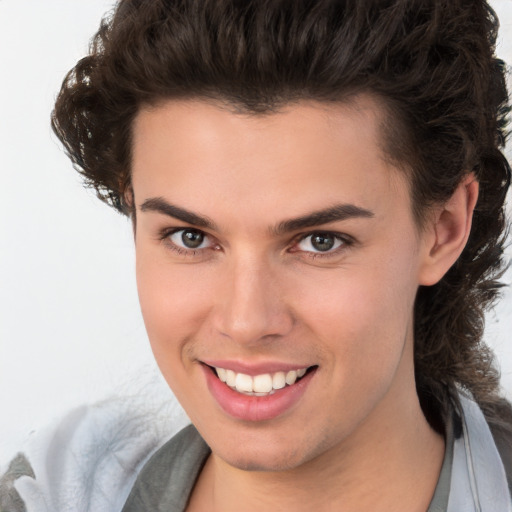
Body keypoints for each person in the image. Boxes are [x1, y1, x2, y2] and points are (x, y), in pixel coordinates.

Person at [1, 0, 511, 510]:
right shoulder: (61, 487)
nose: (246, 322)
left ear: (443, 229)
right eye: (190, 237)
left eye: (320, 241)